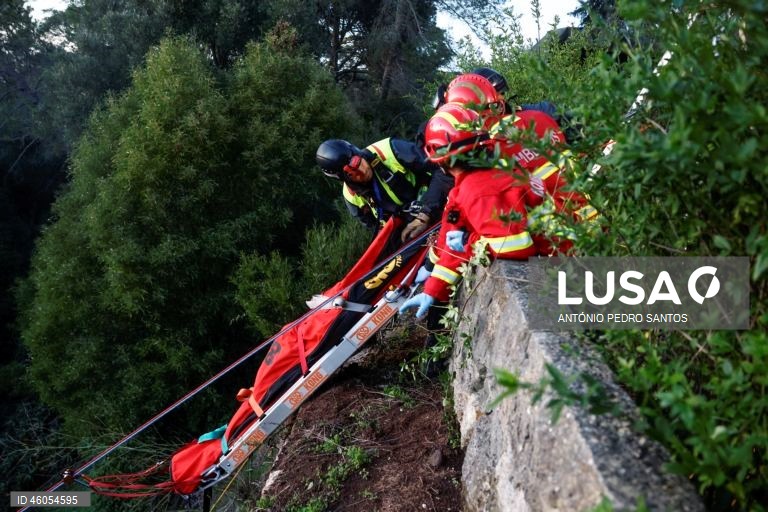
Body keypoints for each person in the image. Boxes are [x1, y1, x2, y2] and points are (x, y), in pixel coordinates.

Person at [399, 104, 545, 319]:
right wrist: (433, 288)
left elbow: (515, 247)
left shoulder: (477, 191)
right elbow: (452, 239)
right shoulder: (476, 181)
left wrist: (469, 241)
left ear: (441, 159)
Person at [316, 137, 454, 242]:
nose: (363, 171)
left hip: (438, 200)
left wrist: (425, 214)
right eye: (353, 174)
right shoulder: (351, 196)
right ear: (342, 178)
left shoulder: (390, 150)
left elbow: (442, 169)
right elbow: (373, 226)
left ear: (357, 152)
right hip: (411, 230)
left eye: (359, 162)